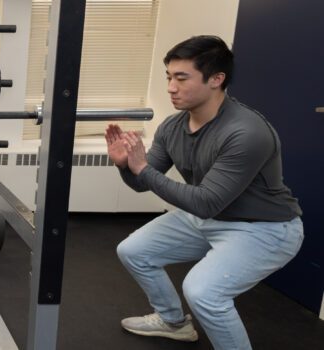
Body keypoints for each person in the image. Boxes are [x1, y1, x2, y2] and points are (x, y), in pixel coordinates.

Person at [106, 35, 303, 349]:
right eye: (169, 77)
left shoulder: (246, 132)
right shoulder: (172, 127)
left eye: (182, 78)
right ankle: (173, 323)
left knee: (203, 292)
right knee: (134, 251)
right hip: (207, 217)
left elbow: (206, 201)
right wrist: (125, 166)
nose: (171, 87)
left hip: (265, 229)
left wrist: (142, 168)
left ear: (216, 79)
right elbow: (144, 183)